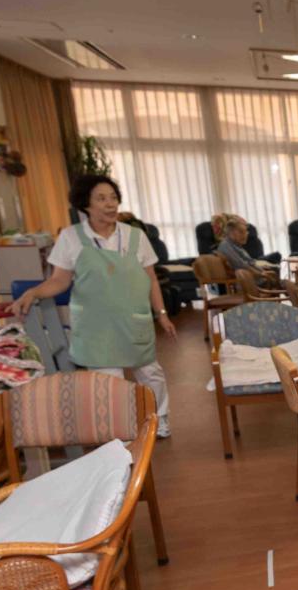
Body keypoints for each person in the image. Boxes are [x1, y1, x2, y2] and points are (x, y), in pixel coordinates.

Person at [10, 174, 176, 438]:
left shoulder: (135, 236)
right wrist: (34, 292)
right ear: (85, 204)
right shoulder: (71, 237)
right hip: (96, 327)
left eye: (113, 198)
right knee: (111, 384)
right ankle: (123, 430)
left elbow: (151, 278)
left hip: (134, 321)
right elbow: (59, 281)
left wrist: (162, 314)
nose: (110, 204)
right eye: (101, 198)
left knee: (150, 373)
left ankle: (160, 419)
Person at [215, 215, 282, 289]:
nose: (246, 235)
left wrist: (263, 271)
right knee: (285, 285)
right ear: (231, 233)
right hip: (249, 282)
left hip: (256, 279)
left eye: (246, 232)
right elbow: (241, 265)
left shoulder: (236, 245)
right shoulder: (226, 246)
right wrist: (262, 274)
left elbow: (250, 263)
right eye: (241, 232)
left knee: (282, 282)